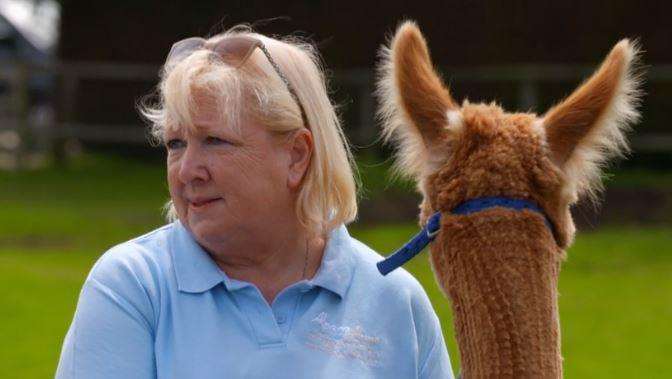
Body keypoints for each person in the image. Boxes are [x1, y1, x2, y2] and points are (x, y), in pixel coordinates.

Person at [55, 25, 454, 379]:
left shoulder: (395, 302)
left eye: (214, 141)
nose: (187, 169)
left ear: (296, 156)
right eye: (176, 143)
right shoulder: (134, 286)